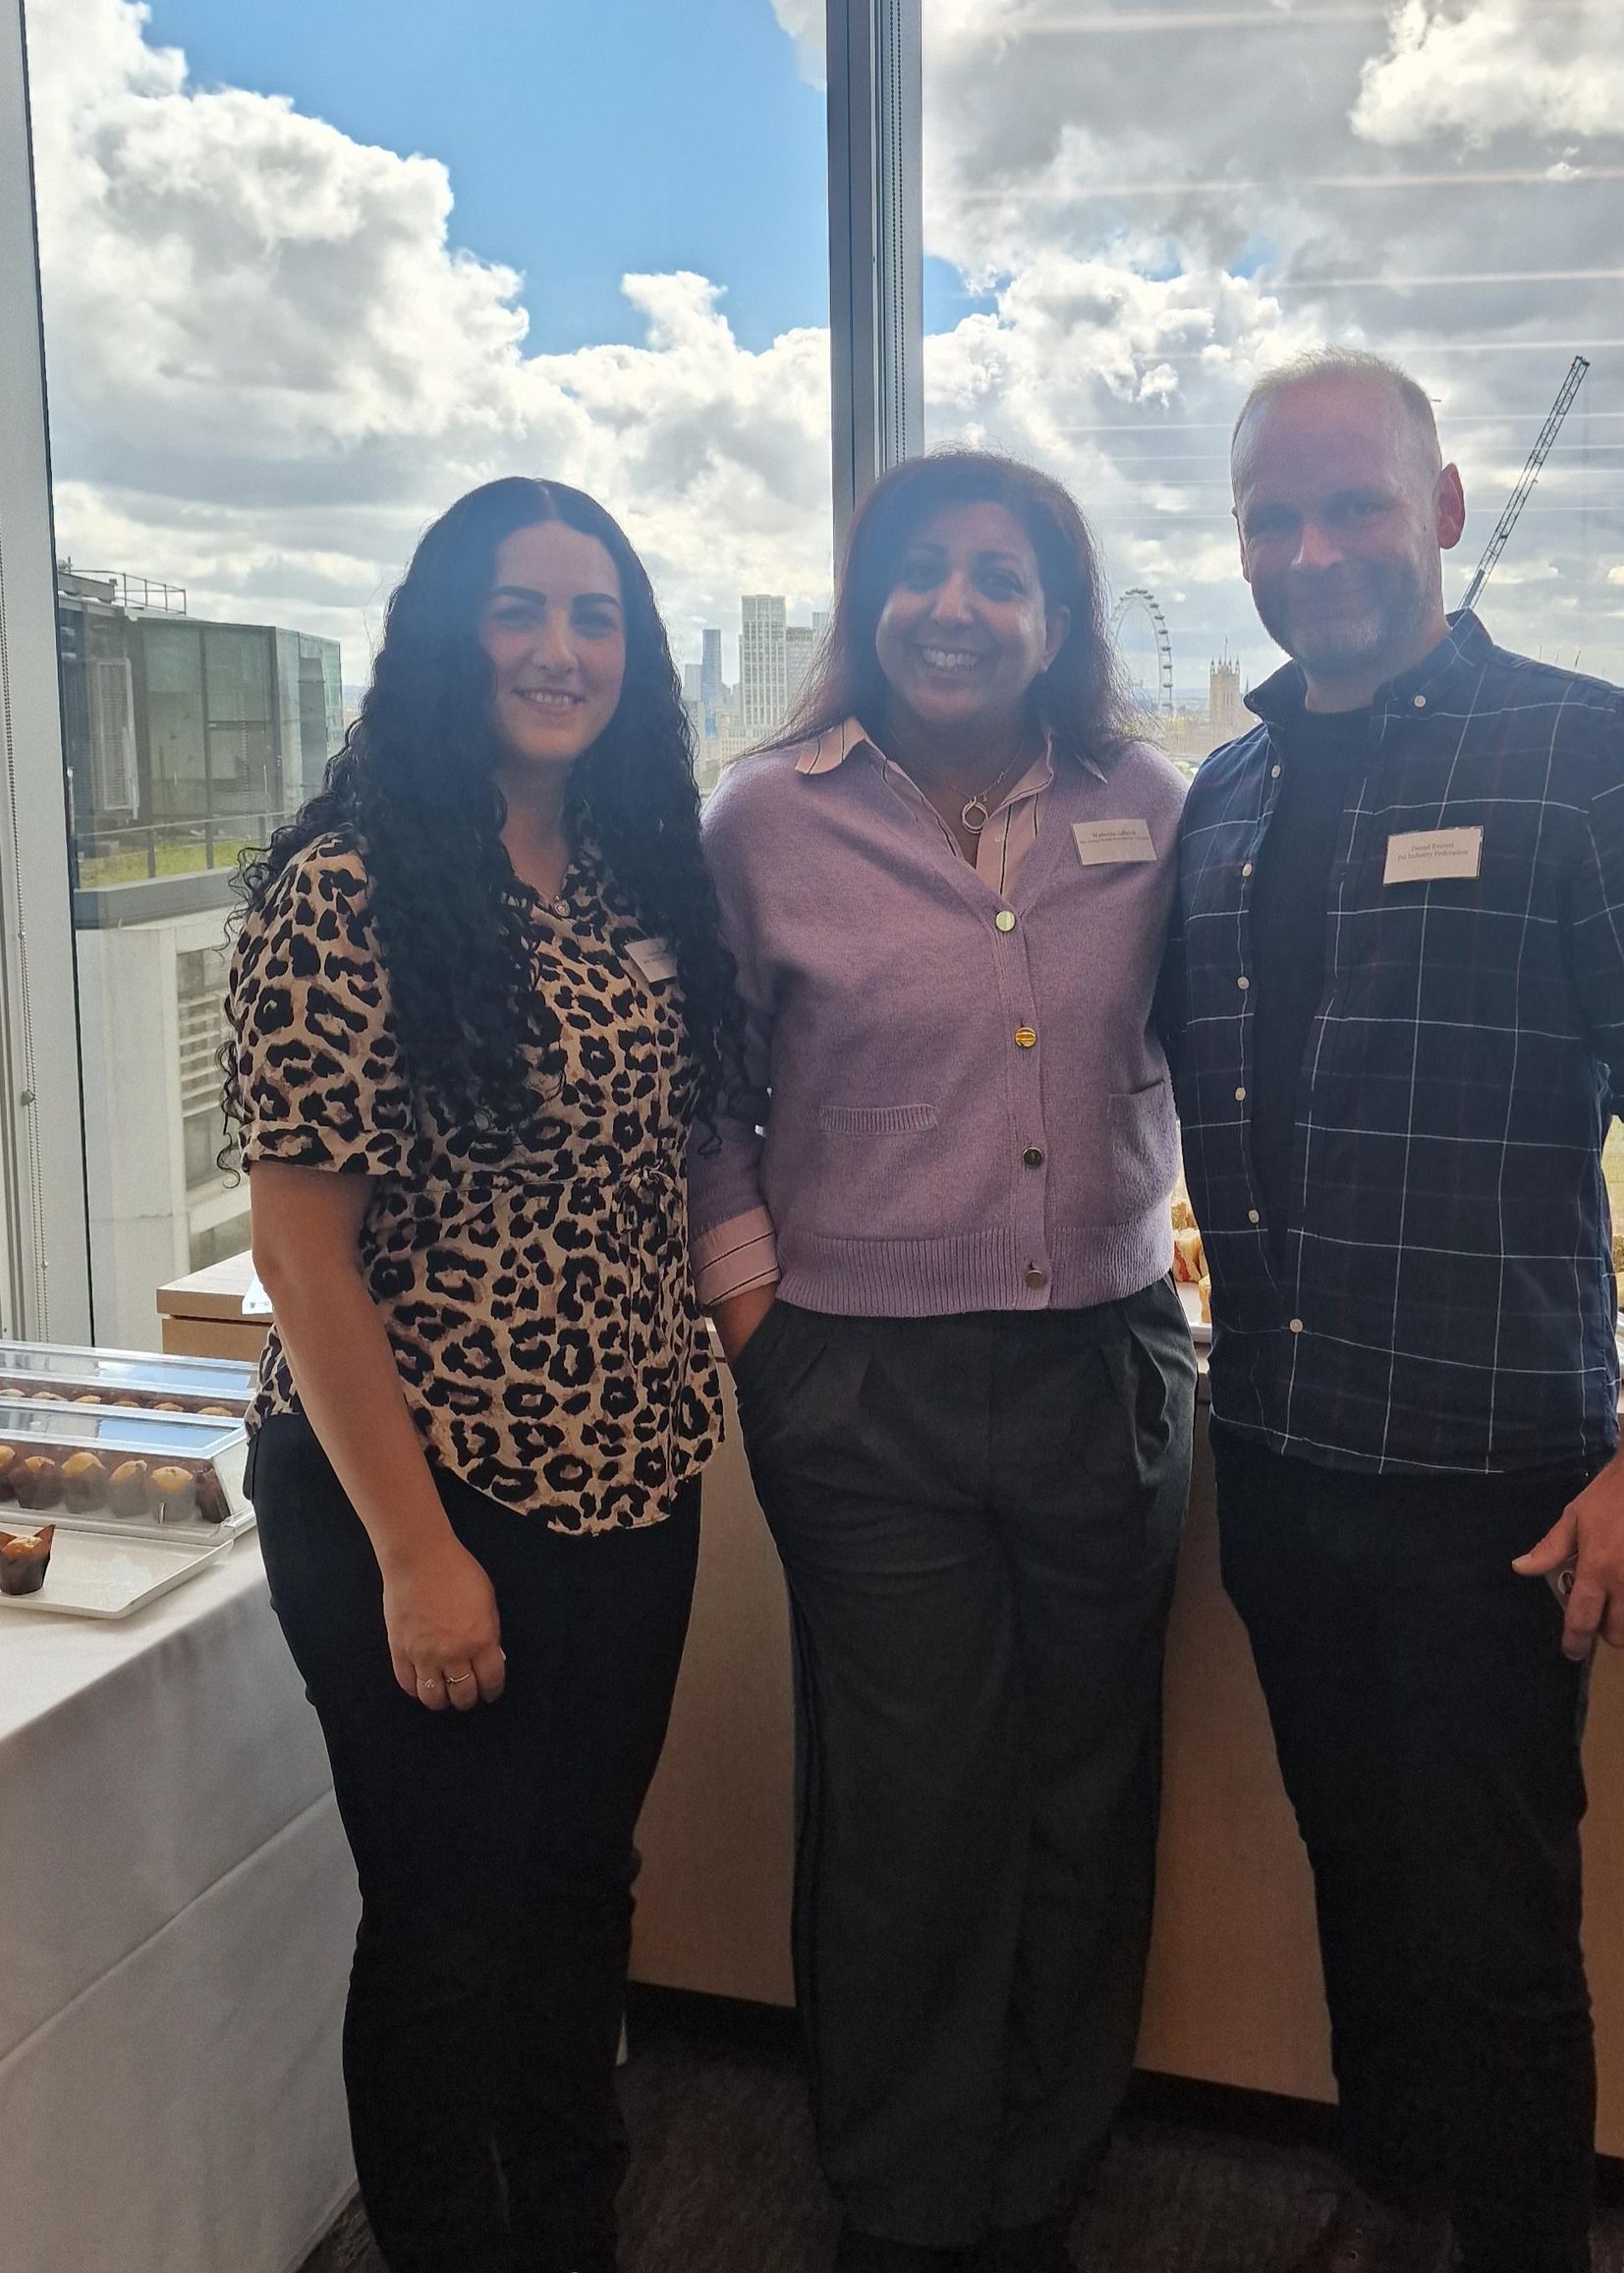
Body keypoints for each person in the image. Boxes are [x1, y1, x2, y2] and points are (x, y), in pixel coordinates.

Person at [1165, 352, 1624, 2273]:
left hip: (1490, 1486)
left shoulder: (1586, 749)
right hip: (1271, 1458)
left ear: (1442, 509)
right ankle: (1398, 2201)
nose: (1313, 546)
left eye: (1354, 502)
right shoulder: (1232, 790)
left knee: (1499, 1938)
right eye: (1274, 512)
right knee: (1357, 1882)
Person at [225, 477, 746, 2273]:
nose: (558, 648)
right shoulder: (346, 885)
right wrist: (417, 1552)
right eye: (518, 609)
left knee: (579, 1893)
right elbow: (301, 1256)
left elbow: (675, 1164)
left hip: (628, 1470)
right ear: (447, 634)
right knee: (444, 1926)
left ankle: (575, 2240)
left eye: (595, 615)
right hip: (415, 1484)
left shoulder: (627, 860)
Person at [690, 450, 1196, 2273]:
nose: (959, 606)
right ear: (867, 599)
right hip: (863, 1380)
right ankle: (902, 2203)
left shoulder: (1151, 799)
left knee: (1085, 1792)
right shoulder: (763, 817)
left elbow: (1215, 1048)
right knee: (906, 1809)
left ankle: (1041, 2182)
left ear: (1058, 620)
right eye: (924, 570)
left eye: (1004, 576)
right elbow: (703, 1093)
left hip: (1106, 1366)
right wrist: (762, 1318)